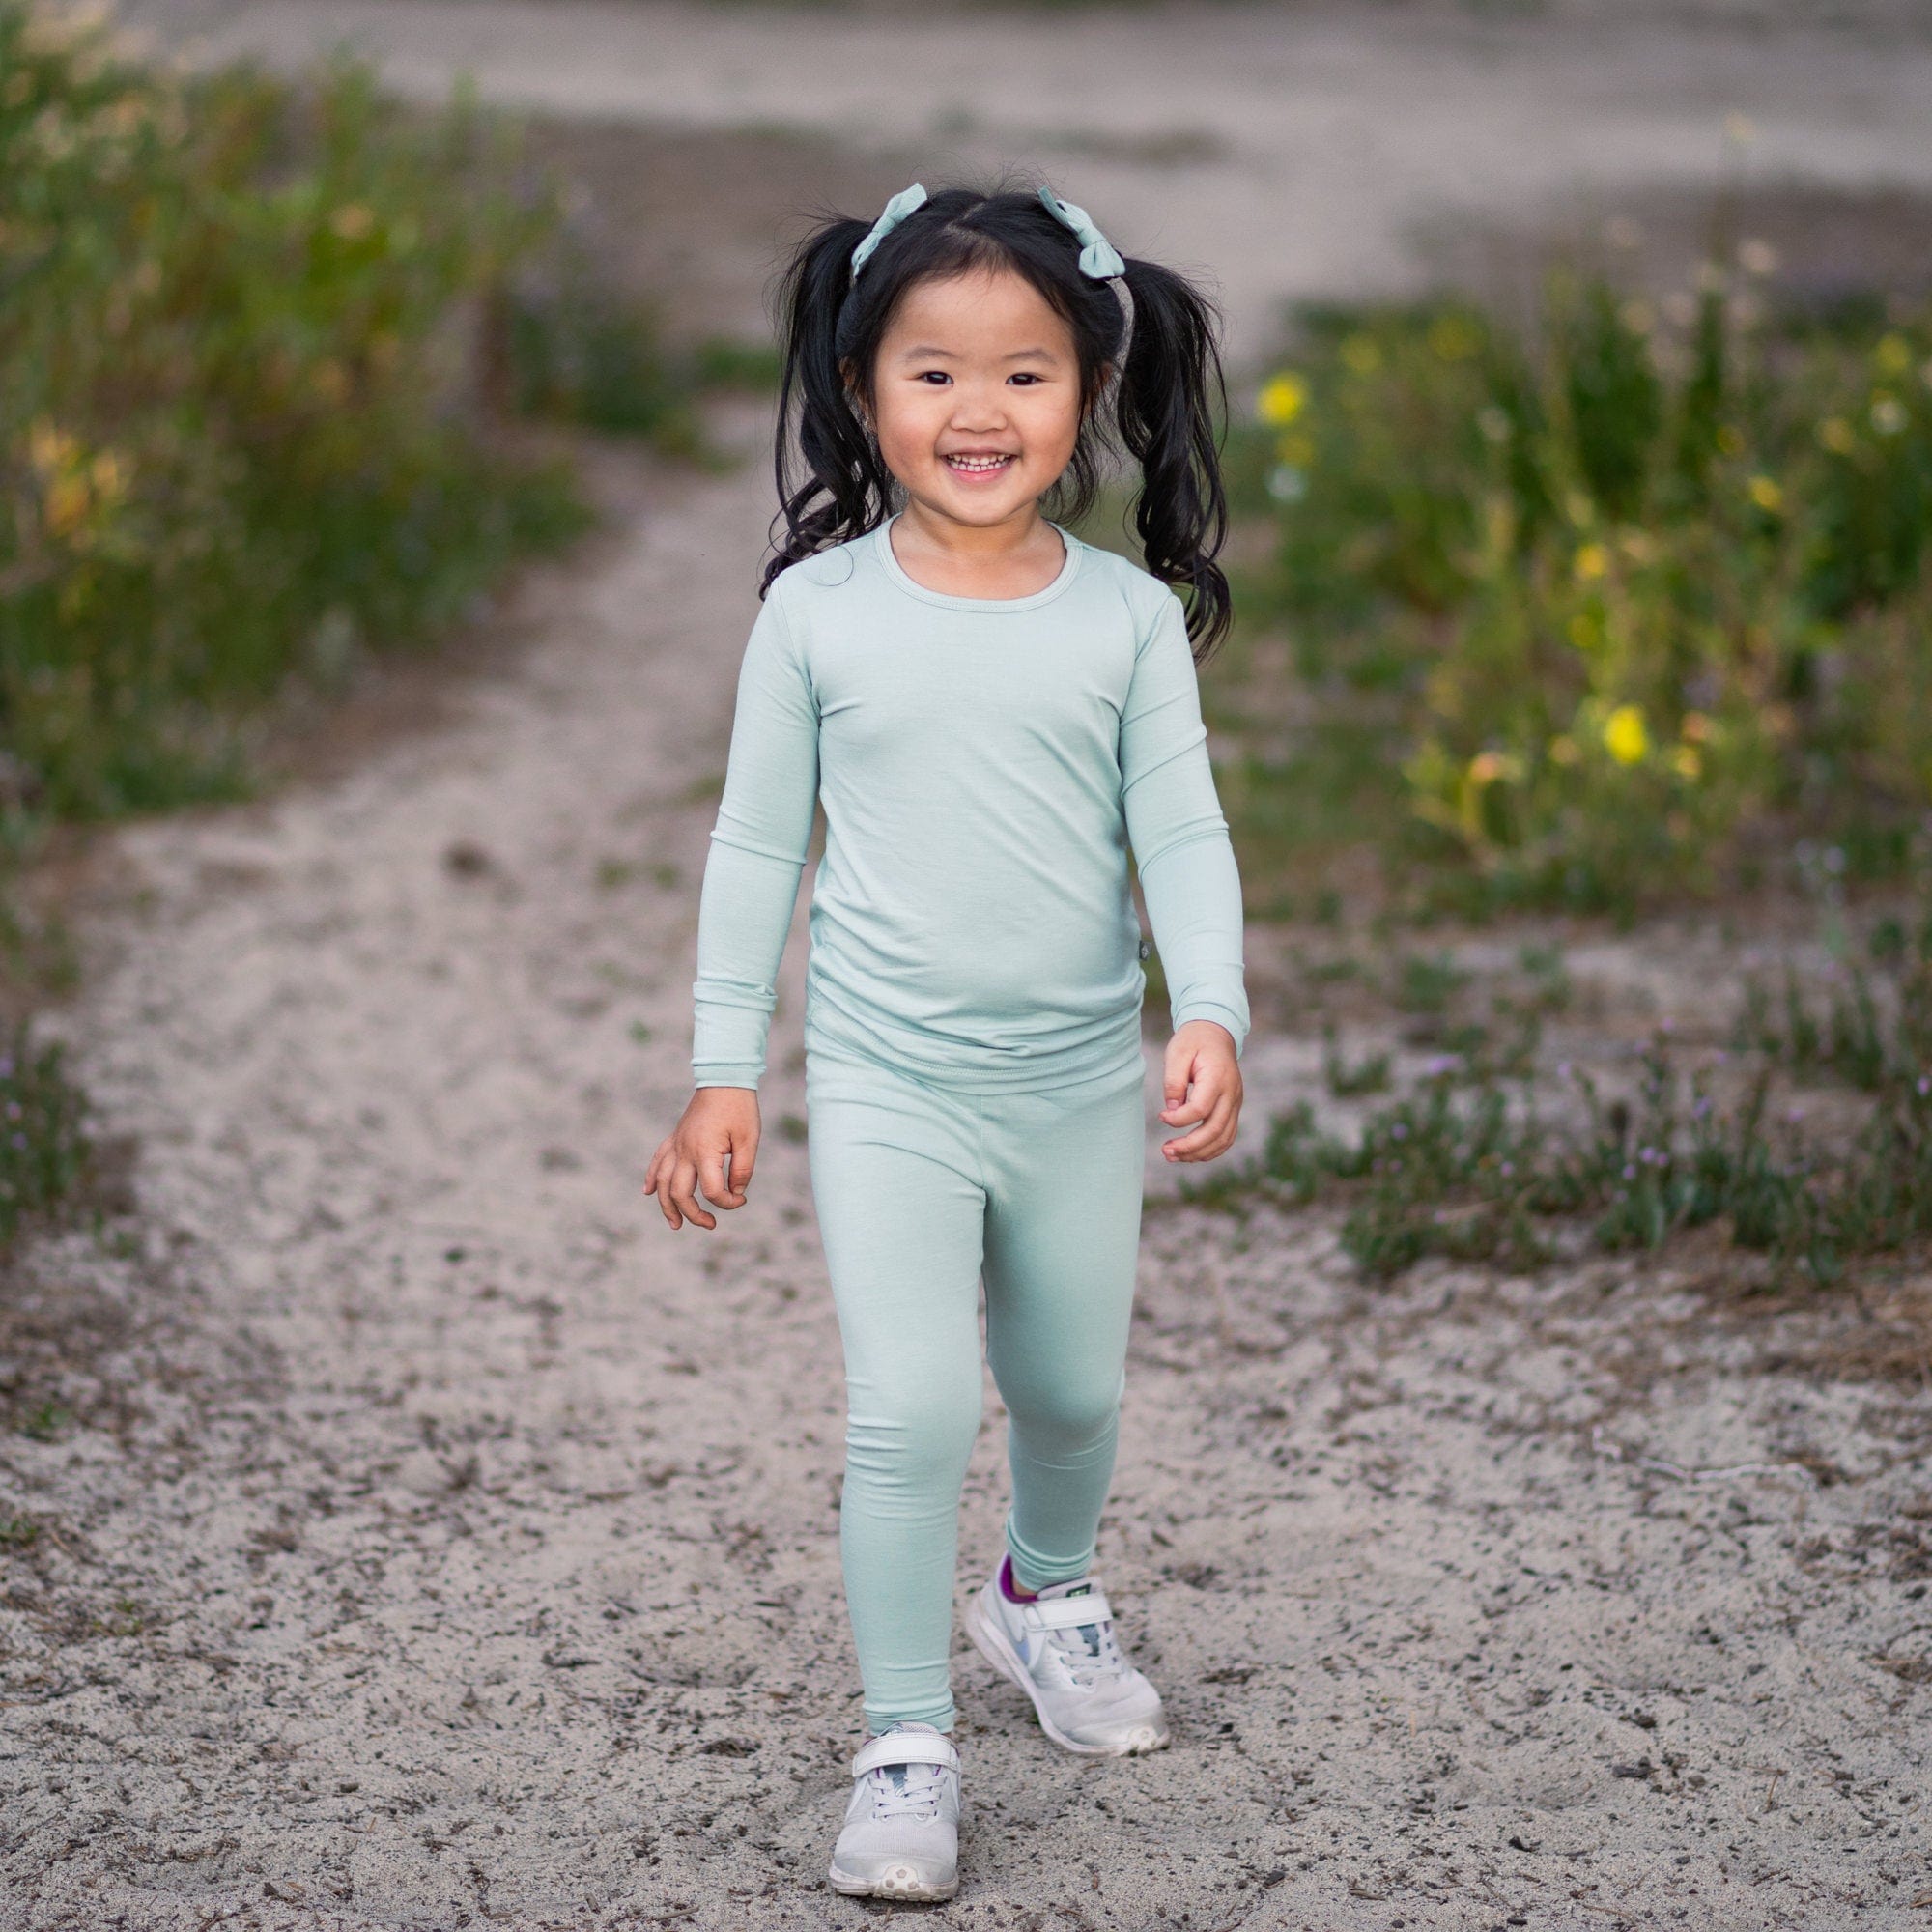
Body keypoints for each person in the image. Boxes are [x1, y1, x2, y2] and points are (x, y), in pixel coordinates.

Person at [642, 176, 1250, 1905]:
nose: (979, 412)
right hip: (892, 1084)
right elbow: (758, 845)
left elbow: (1183, 835)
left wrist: (1207, 1005)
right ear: (861, 391)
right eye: (933, 373)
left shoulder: (1125, 622)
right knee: (905, 1411)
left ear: (1090, 397)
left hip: (1072, 1083)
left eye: (1025, 375)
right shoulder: (819, 614)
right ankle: (903, 1740)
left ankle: (1043, 1593)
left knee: (1069, 1389)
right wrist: (721, 1068)